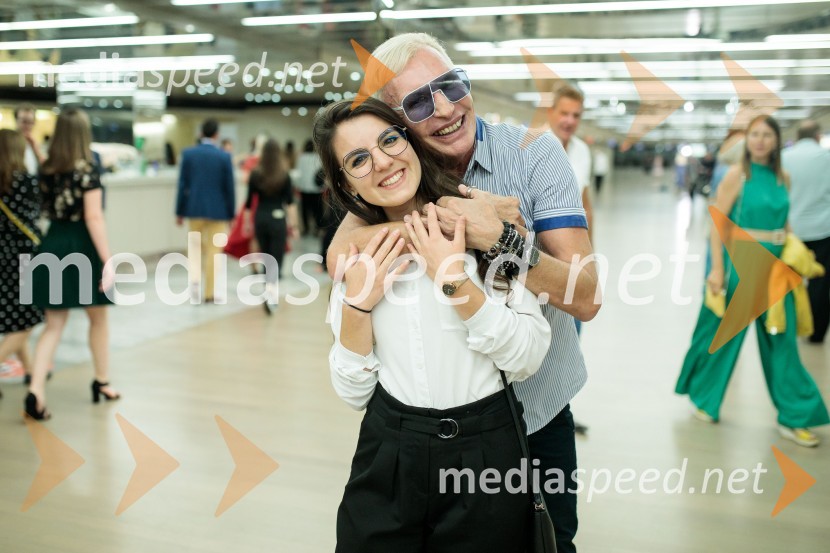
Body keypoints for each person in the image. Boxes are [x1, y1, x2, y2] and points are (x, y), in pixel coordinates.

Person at [327, 33, 600, 553]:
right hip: (426, 432)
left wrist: (501, 240)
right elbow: (339, 258)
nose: (447, 107)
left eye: (450, 85)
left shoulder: (533, 153)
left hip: (534, 411)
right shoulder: (393, 172)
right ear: (396, 125)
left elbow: (586, 295)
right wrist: (447, 222)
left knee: (550, 541)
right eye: (418, 101)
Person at [315, 97, 551, 553]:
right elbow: (353, 393)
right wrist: (357, 308)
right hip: (388, 452)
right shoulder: (358, 259)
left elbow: (527, 356)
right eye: (358, 159)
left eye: (388, 140)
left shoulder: (482, 230)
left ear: (410, 141)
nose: (382, 161)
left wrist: (455, 281)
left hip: (488, 452)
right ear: (347, 185)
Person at [676, 115, 829, 447]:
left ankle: (795, 416)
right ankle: (706, 399)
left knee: (783, 343)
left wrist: (796, 259)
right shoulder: (736, 175)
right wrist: (716, 269)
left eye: (767, 135)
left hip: (775, 269)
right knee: (724, 340)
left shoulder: (782, 177)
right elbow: (717, 224)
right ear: (748, 140)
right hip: (741, 265)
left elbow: (785, 224)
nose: (760, 140)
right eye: (754, 134)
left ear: (776, 140)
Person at [26, 108, 119, 420]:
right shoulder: (87, 170)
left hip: (52, 243)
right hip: (82, 247)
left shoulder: (47, 169)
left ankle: (36, 389)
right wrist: (108, 260)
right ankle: (102, 381)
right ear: (83, 135)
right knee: (98, 319)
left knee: (53, 325)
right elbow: (93, 216)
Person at [0, 130, 43, 399]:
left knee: (17, 316)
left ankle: (30, 372)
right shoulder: (25, 181)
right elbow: (39, 209)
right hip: (24, 256)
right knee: (26, 321)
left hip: (1, 256)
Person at [175, 118, 236, 303]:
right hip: (218, 212)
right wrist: (231, 213)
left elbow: (182, 185)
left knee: (194, 249)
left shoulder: (189, 154)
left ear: (201, 133)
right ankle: (209, 293)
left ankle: (195, 285)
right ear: (216, 135)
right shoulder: (224, 157)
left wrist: (179, 211)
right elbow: (229, 188)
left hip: (194, 210)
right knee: (213, 251)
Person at [782, 120, 830, 344]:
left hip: (791, 229)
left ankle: (788, 327)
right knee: (821, 282)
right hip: (823, 228)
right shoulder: (826, 157)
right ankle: (816, 332)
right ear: (818, 136)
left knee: (790, 280)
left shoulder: (784, 158)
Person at [243, 139, 298, 313]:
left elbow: (249, 203)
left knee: (266, 257)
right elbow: (290, 203)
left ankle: (268, 287)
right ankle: (271, 292)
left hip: (261, 218)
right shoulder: (284, 175)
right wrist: (294, 226)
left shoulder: (256, 174)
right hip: (278, 219)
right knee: (276, 257)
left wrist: (246, 224)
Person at [548, 84, 593, 244]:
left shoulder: (582, 150)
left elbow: (585, 204)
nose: (570, 121)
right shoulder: (533, 147)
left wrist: (590, 253)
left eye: (576, 115)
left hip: (573, 242)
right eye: (564, 113)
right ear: (550, 112)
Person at [294, 139, 325, 235]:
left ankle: (306, 228)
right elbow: (321, 173)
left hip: (304, 188)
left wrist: (298, 185)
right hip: (316, 189)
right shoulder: (318, 157)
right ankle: (318, 228)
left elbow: (298, 173)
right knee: (318, 210)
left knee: (304, 210)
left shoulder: (301, 158)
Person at [15, 103, 43, 174]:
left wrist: (36, 149)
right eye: (24, 121)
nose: (27, 126)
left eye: (30, 122)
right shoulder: (9, 144)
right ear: (16, 121)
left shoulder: (35, 144)